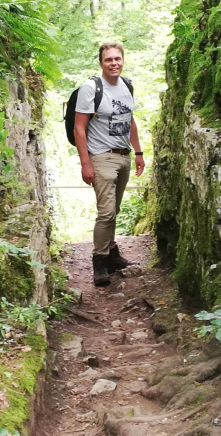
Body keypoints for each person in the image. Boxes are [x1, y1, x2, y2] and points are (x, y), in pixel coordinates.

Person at [74, 43, 145, 286]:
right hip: (101, 156)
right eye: (108, 60)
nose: (114, 63)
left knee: (114, 209)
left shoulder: (126, 85)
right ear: (101, 63)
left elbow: (130, 120)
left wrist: (138, 152)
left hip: (123, 155)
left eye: (117, 59)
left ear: (123, 60)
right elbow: (79, 128)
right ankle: (99, 263)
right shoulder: (90, 89)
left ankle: (112, 254)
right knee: (106, 212)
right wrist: (86, 163)